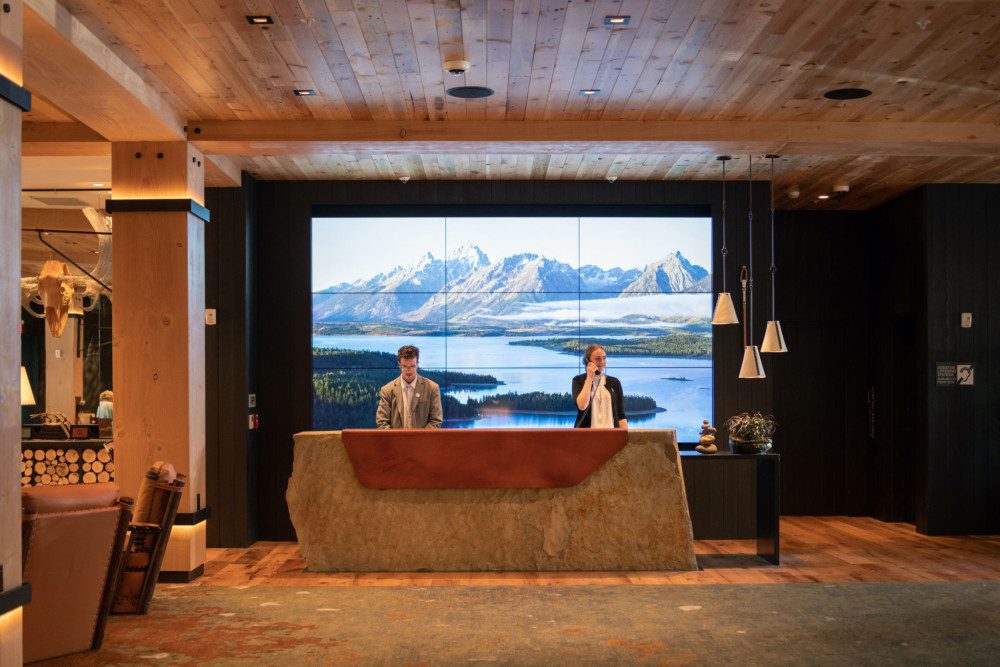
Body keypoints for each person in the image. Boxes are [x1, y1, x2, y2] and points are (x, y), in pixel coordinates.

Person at [376, 345, 443, 429]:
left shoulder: (432, 388)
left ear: (417, 364)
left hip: (422, 441)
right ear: (399, 364)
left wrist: (421, 440)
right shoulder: (387, 390)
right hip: (396, 441)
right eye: (404, 366)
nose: (408, 371)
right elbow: (382, 421)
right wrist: (394, 440)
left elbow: (436, 420)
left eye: (412, 366)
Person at [572, 344, 627, 429]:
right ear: (588, 361)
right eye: (598, 359)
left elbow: (621, 415)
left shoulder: (614, 382)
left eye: (604, 358)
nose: (602, 362)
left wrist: (625, 437)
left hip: (611, 434)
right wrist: (589, 378)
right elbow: (582, 406)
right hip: (587, 436)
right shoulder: (578, 380)